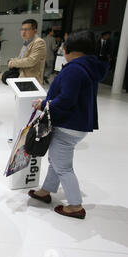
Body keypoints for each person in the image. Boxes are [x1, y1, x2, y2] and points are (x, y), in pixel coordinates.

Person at [29, 31, 108, 220]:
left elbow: (66, 100)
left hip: (68, 125)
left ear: (71, 50)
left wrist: (44, 105)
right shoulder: (88, 67)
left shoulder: (74, 69)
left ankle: (75, 206)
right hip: (78, 124)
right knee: (57, 160)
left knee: (63, 166)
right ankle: (46, 191)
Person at [8, 19, 46, 85]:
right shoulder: (26, 42)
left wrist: (13, 63)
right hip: (22, 78)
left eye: (26, 29)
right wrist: (12, 60)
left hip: (32, 81)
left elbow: (31, 61)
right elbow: (21, 58)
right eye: (22, 29)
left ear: (34, 30)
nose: (23, 32)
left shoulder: (39, 42)